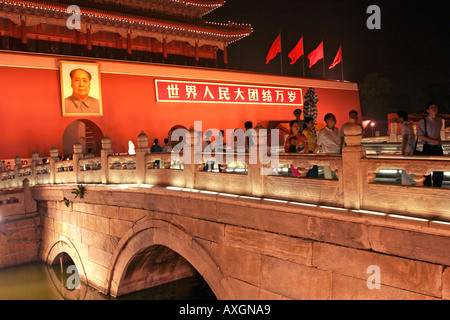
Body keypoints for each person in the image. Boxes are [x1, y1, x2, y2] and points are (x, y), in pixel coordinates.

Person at [417, 102, 444, 187]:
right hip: (428, 148)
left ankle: (437, 188)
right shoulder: (423, 121)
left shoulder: (439, 121)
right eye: (431, 107)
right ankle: (428, 188)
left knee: (439, 170)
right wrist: (433, 141)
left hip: (438, 148)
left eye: (435, 107)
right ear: (427, 110)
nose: (434, 108)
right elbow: (420, 135)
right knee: (427, 171)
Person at [314, 113, 340, 179]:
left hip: (337, 156)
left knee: (338, 177)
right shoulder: (322, 132)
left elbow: (340, 143)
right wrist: (313, 156)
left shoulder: (337, 130)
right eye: (332, 119)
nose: (335, 120)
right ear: (327, 120)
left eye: (334, 119)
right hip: (327, 156)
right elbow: (318, 145)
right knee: (329, 177)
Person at [397, 110, 415, 185]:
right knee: (410, 167)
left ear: (402, 118)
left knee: (405, 168)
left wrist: (403, 151)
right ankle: (412, 182)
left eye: (398, 117)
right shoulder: (410, 125)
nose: (397, 119)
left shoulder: (404, 126)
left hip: (407, 150)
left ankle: (406, 184)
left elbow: (405, 138)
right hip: (411, 149)